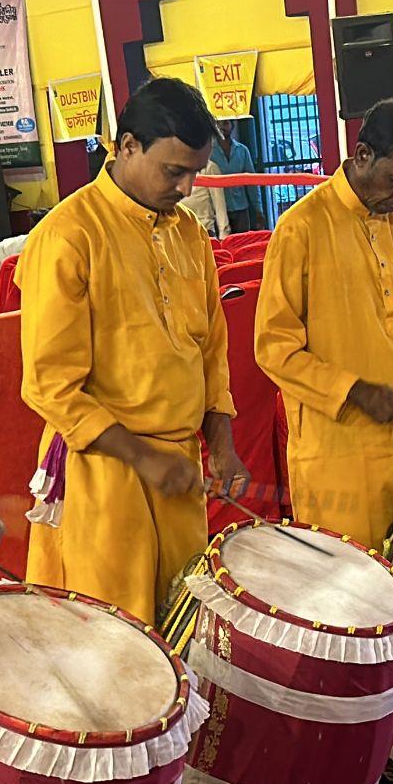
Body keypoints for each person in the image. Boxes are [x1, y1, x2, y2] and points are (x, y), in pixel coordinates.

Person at [20, 78, 247, 625]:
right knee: (113, 644)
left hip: (177, 471)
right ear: (125, 147)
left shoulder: (189, 231)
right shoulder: (69, 235)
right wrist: (144, 458)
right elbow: (49, 384)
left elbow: (211, 346)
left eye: (197, 171)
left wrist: (221, 440)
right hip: (106, 472)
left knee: (180, 625)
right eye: (174, 171)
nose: (189, 185)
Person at [256, 100, 393, 550]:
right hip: (337, 456)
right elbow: (274, 349)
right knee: (354, 600)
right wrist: (351, 389)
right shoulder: (300, 229)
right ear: (363, 155)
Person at [207, 120, 263, 233]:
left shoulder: (242, 150)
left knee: (243, 244)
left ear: (232, 126)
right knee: (223, 246)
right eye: (218, 123)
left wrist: (258, 209)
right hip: (217, 210)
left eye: (226, 123)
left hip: (240, 208)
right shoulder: (208, 151)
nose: (221, 127)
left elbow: (251, 182)